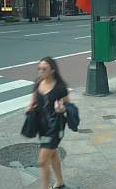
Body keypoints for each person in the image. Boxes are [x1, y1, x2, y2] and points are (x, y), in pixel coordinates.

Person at [27, 57, 69, 189]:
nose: (41, 71)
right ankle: (60, 182)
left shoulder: (60, 87)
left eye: (44, 69)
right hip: (43, 127)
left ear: (52, 70)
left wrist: (61, 108)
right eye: (39, 68)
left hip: (56, 127)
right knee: (53, 154)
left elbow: (67, 104)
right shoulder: (39, 82)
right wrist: (30, 106)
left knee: (42, 161)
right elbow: (34, 98)